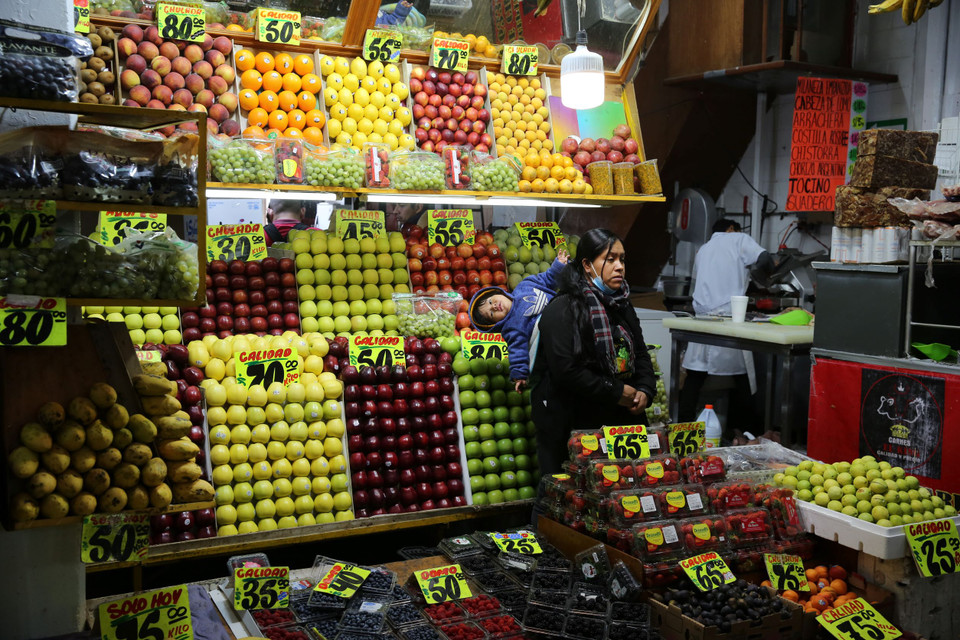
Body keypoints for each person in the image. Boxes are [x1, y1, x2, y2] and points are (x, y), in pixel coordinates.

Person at [529, 229, 657, 474]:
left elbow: (640, 352)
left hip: (620, 418)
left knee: (626, 489)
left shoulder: (622, 304)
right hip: (572, 422)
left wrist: (645, 389)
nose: (619, 266)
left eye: (622, 259)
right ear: (587, 264)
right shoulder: (563, 309)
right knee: (565, 499)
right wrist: (615, 390)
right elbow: (566, 371)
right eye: (610, 260)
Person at [678, 219, 776, 434]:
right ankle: (746, 431)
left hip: (702, 320)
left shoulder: (703, 249)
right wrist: (769, 276)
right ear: (731, 229)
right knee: (743, 378)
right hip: (729, 318)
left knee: (695, 375)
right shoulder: (738, 238)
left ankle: (681, 429)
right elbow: (764, 258)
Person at [467, 249, 569, 392]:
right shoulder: (512, 328)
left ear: (497, 292)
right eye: (491, 313)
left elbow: (548, 279)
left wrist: (559, 265)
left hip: (568, 313)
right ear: (495, 324)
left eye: (490, 302)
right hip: (556, 340)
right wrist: (519, 374)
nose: (494, 307)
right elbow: (517, 350)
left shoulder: (524, 285)